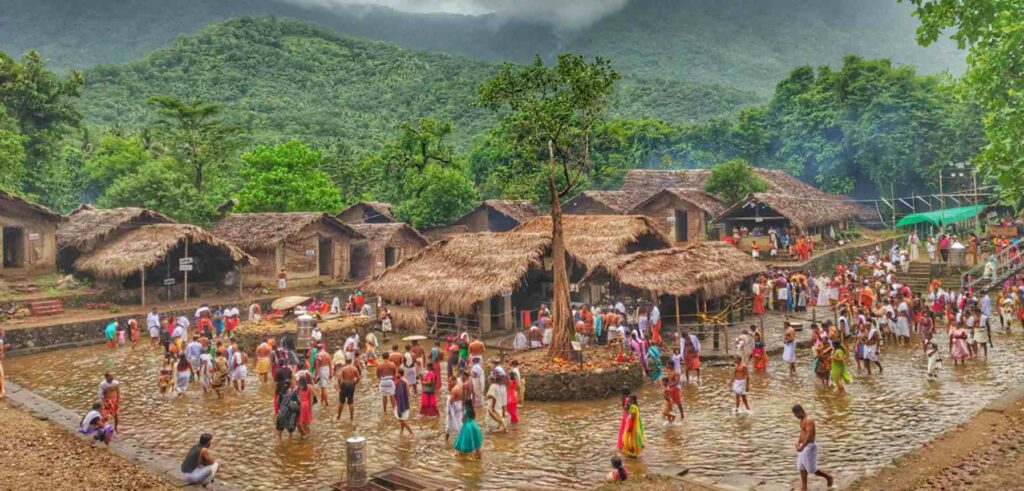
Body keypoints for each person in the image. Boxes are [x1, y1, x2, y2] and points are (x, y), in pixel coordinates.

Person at [792, 405, 834, 491]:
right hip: (803, 446)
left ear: (800, 411)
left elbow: (809, 435)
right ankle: (804, 487)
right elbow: (802, 433)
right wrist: (799, 443)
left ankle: (828, 477)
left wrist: (803, 447)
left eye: (796, 414)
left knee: (811, 470)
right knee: (801, 466)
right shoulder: (801, 420)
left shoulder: (809, 420)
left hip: (809, 447)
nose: (795, 416)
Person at [617, 394, 644, 458]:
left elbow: (632, 417)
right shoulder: (635, 406)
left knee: (631, 441)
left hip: (632, 428)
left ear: (632, 400)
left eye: (630, 399)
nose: (629, 401)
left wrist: (627, 412)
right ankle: (633, 454)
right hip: (634, 428)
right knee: (631, 441)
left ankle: (633, 456)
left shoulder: (633, 408)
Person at [446, 373, 465, 443]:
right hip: (460, 405)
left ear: (454, 380)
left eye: (450, 381)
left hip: (455, 406)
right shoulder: (461, 386)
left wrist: (448, 412)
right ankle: (460, 437)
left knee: (450, 424)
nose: (449, 383)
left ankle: (447, 440)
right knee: (460, 422)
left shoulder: (454, 389)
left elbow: (451, 402)